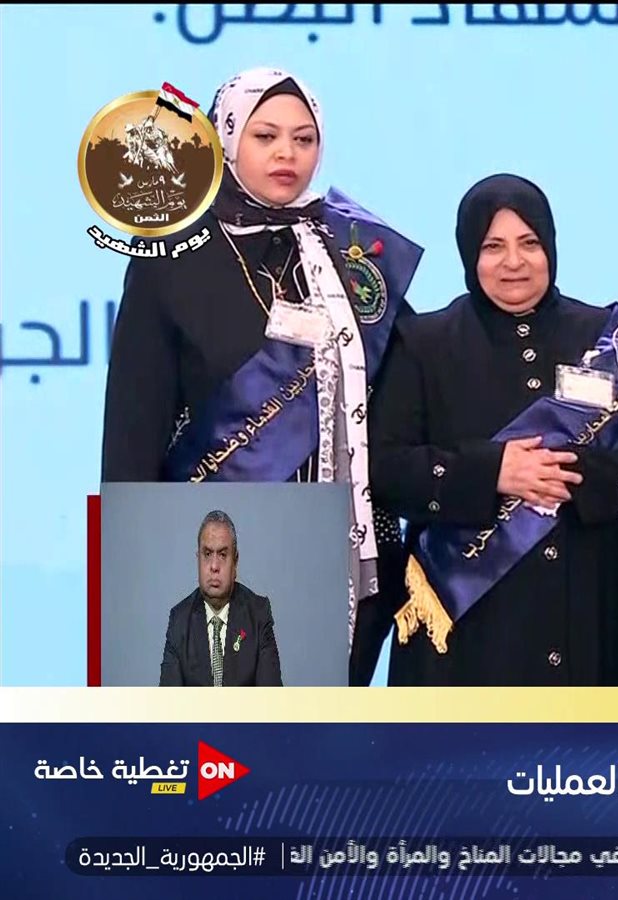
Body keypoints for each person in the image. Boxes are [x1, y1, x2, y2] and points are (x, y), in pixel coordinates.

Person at [98, 67, 424, 687]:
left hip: (348, 552)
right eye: (266, 136)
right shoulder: (174, 257)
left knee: (322, 739)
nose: (286, 154)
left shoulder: (347, 249)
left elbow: (413, 376)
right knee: (230, 738)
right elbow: (134, 424)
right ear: (225, 139)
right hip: (222, 548)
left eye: (304, 139)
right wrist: (132, 560)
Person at [368, 173, 618, 687]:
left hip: (591, 612)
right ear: (468, 254)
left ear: (551, 248)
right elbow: (385, 468)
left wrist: (575, 472)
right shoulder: (423, 343)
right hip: (467, 637)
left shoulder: (606, 337)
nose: (514, 262)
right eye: (493, 247)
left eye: (529, 243)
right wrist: (493, 471)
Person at [160, 510, 283, 686]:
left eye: (223, 555)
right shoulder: (179, 620)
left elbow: (272, 697)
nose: (214, 566)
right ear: (198, 559)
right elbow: (168, 700)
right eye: (207, 554)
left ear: (235, 562)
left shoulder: (258, 614)